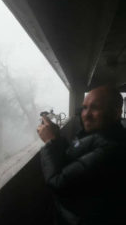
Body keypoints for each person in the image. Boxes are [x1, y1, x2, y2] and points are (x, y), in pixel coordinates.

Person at [37, 85, 126, 225]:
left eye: (95, 108)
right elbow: (76, 157)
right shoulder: (95, 134)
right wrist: (57, 137)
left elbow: (58, 182)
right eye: (84, 107)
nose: (86, 114)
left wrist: (50, 142)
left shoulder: (113, 147)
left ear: (116, 112)